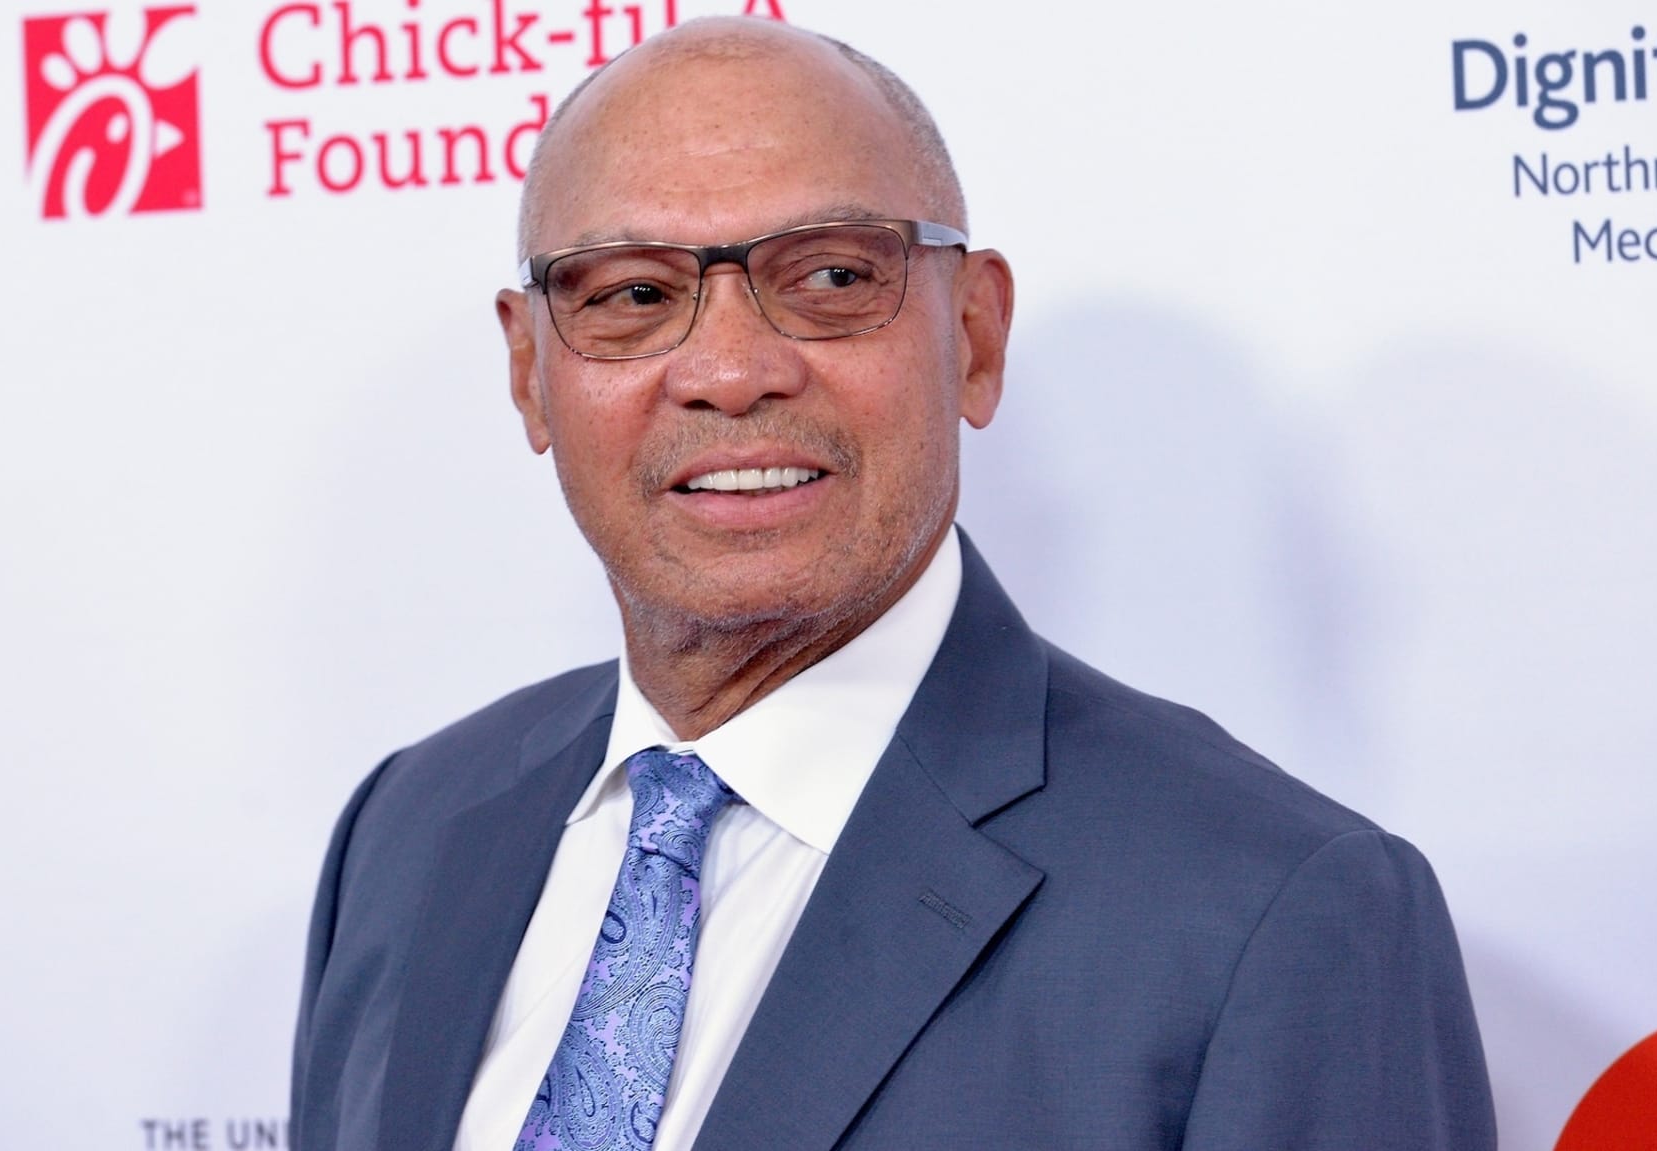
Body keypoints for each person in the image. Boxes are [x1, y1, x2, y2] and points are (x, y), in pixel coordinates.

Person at [290, 16, 1495, 1151]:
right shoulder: (403, 833)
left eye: (827, 278)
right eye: (634, 295)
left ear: (972, 334)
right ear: (527, 371)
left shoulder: (1272, 914)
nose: (728, 369)